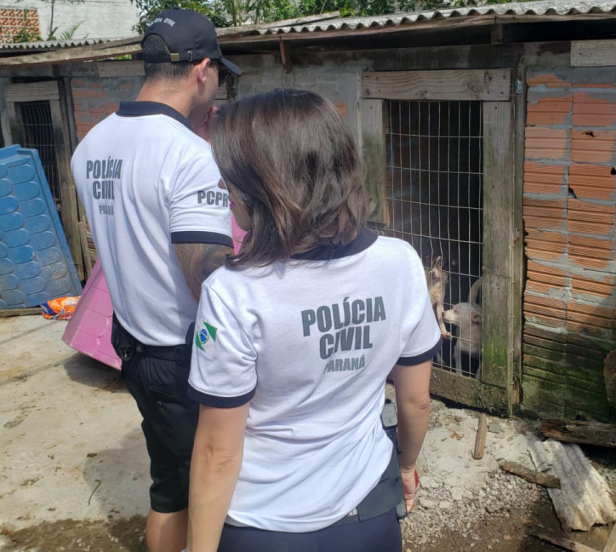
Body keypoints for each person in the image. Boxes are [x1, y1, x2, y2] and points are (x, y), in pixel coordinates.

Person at [185, 89, 439, 552]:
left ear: (266, 187)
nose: (223, 187)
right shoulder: (401, 262)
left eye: (231, 177)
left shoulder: (233, 292)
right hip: (366, 513)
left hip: (262, 524)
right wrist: (405, 466)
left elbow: (217, 453)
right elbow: (416, 401)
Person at [70, 9, 241, 552]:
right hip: (184, 356)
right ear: (203, 70)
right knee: (217, 491)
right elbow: (206, 276)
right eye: (220, 75)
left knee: (170, 485)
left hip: (133, 343)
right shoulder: (190, 155)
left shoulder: (91, 145)